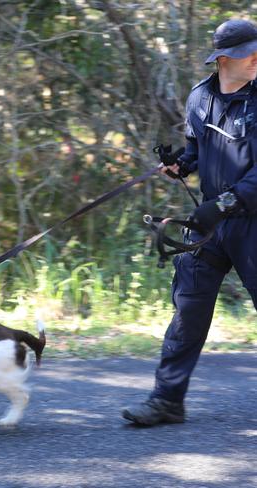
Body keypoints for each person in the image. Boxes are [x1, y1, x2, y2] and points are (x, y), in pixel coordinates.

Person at [122, 18, 257, 426]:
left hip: (250, 224)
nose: (254, 59)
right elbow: (199, 150)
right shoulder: (200, 97)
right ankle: (167, 400)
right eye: (245, 54)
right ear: (221, 59)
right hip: (210, 225)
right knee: (187, 310)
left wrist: (227, 202)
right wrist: (181, 164)